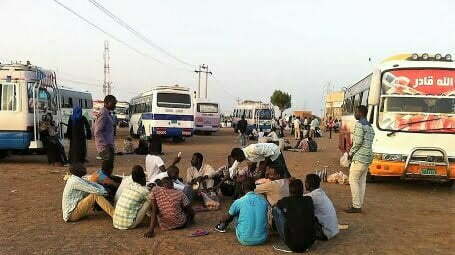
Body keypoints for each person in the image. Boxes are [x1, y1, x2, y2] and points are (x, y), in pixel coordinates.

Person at [214, 178, 268, 246]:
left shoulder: (239, 201)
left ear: (242, 188)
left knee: (235, 212)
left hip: (244, 239)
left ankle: (221, 226)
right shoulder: (263, 200)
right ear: (255, 187)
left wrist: (221, 219)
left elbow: (227, 217)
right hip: (262, 238)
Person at [273, 179, 315, 253]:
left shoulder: (285, 200)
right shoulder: (309, 199)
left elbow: (275, 205)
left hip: (292, 244)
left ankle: (279, 233)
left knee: (276, 210)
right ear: (302, 190)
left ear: (289, 190)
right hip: (309, 242)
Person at [346, 105, 375, 213]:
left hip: (360, 157)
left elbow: (357, 142)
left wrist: (351, 153)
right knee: (362, 181)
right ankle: (359, 204)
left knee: (353, 180)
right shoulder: (370, 126)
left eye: (355, 112)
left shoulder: (359, 124)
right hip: (368, 157)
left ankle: (356, 206)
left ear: (360, 113)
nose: (354, 114)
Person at [113, 165, 151, 230]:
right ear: (143, 178)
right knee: (150, 200)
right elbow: (151, 198)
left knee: (138, 199)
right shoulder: (144, 191)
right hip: (129, 225)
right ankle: (151, 216)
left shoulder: (128, 186)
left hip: (115, 222)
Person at [305, 174, 339, 240]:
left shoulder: (312, 197)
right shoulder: (321, 193)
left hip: (326, 233)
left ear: (308, 184)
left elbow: (297, 200)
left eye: (306, 182)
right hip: (333, 230)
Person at [94, 95, 117, 167]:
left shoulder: (107, 113)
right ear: (106, 103)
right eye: (113, 103)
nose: (114, 105)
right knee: (106, 169)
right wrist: (105, 145)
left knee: (108, 168)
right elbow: (97, 131)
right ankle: (99, 178)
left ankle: (103, 178)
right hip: (105, 147)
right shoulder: (103, 114)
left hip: (108, 146)